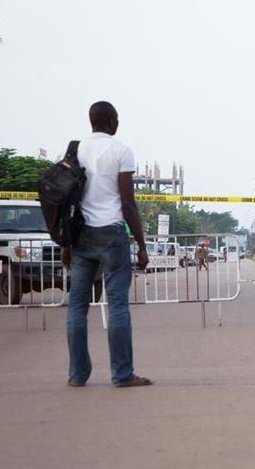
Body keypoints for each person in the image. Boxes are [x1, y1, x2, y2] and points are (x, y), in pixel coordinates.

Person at [61, 101, 151, 388]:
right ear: (112, 122)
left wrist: (65, 243)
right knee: (118, 305)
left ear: (92, 121)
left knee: (77, 306)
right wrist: (141, 243)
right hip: (112, 233)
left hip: (81, 234)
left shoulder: (75, 151)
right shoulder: (122, 151)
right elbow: (127, 202)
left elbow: (66, 201)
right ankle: (122, 374)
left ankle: (77, 375)